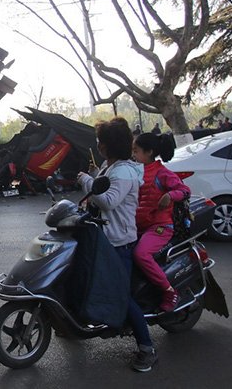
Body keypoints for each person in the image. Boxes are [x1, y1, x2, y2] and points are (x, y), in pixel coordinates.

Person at [77, 118, 155, 372]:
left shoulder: (123, 172)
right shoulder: (108, 167)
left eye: (102, 142)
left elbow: (108, 201)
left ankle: (147, 348)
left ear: (110, 146)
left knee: (122, 296)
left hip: (119, 241)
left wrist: (86, 182)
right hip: (102, 236)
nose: (99, 146)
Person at [131, 133, 190, 313]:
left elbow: (184, 190)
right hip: (137, 227)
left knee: (141, 254)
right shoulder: (134, 171)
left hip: (159, 227)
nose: (132, 154)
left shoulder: (162, 173)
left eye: (136, 151)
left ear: (148, 152)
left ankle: (169, 292)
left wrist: (169, 195)